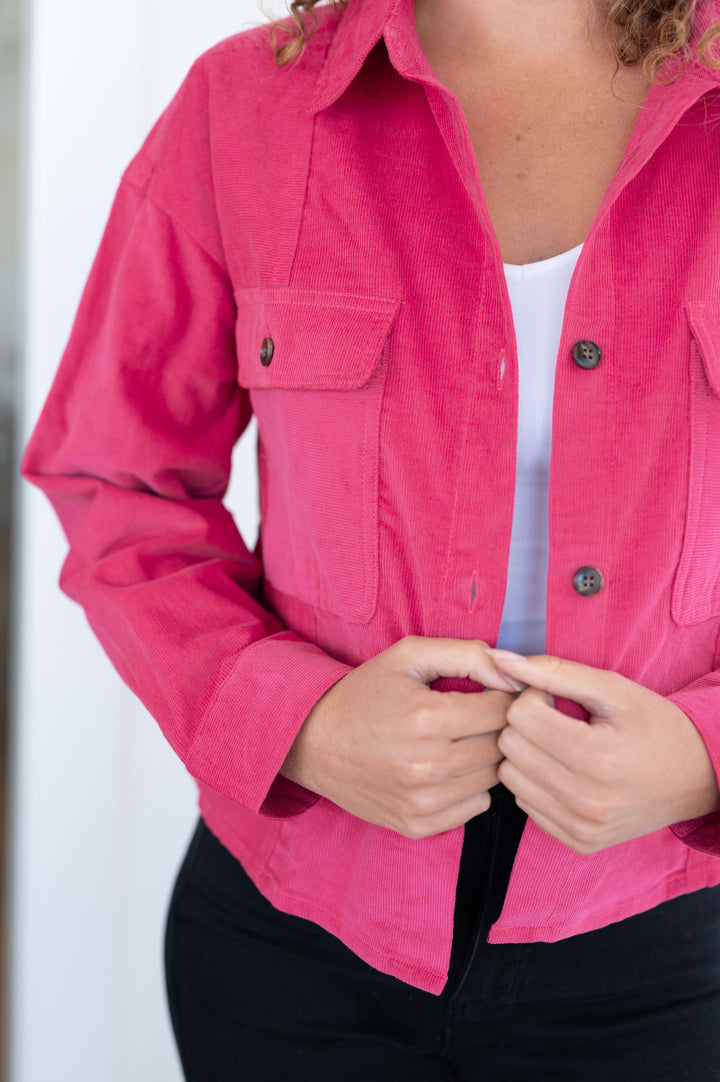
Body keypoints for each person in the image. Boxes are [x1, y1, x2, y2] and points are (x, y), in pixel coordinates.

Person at [21, 0, 720, 1076]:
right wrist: (296, 723)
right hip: (296, 941)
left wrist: (706, 756)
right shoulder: (245, 107)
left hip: (675, 942)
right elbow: (115, 475)